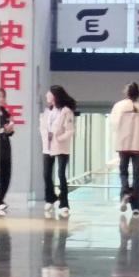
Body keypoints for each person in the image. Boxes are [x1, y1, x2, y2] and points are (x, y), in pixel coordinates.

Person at [110, 82, 139, 217]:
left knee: (123, 172)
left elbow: (114, 124)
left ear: (127, 92)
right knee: (137, 175)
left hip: (123, 145)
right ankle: (136, 207)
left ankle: (125, 194)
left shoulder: (119, 106)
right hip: (138, 145)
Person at [39, 85, 76, 218]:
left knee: (61, 174)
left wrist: (59, 138)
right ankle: (50, 198)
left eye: (49, 94)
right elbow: (43, 127)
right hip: (47, 146)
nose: (46, 96)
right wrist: (45, 136)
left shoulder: (66, 111)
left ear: (55, 96)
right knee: (46, 174)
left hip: (61, 146)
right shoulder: (47, 111)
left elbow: (70, 130)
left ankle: (64, 203)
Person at [0, 88, 15, 216]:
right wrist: (4, 130)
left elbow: (10, 131)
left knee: (6, 173)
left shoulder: (5, 113)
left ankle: (1, 198)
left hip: (5, 146)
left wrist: (10, 129)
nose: (2, 99)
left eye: (3, 97)